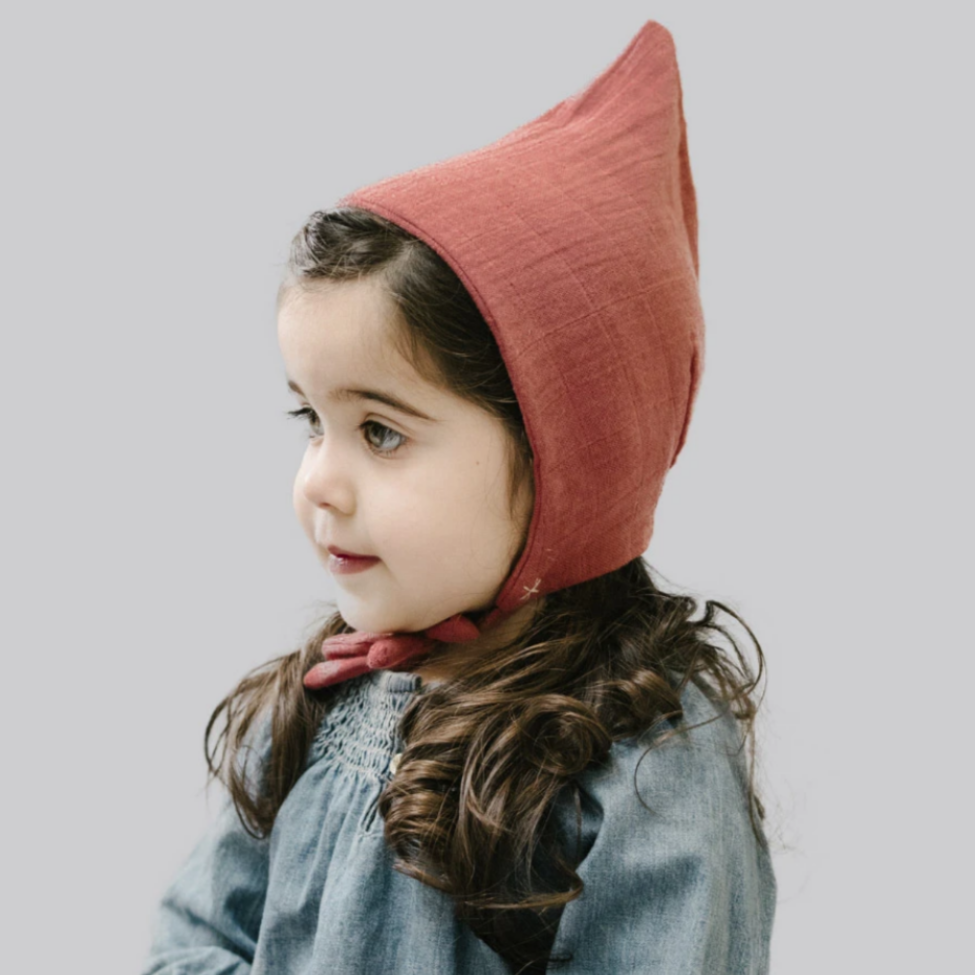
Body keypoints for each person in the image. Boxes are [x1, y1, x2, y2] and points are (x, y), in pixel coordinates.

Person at [142, 19, 777, 975]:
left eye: (381, 431)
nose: (319, 479)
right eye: (310, 421)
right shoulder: (320, 699)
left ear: (567, 458)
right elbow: (188, 943)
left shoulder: (642, 763)